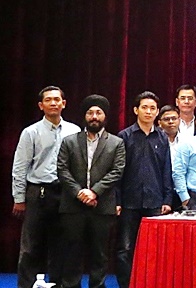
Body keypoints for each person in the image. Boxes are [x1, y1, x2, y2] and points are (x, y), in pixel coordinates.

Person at [12, 86, 81, 288]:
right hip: (38, 192)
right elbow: (20, 166)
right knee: (31, 246)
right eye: (48, 100)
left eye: (57, 99)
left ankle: (59, 284)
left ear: (64, 103)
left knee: (62, 244)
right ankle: (25, 284)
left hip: (66, 193)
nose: (53, 103)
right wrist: (19, 198)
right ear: (41, 105)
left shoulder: (74, 131)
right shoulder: (31, 132)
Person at [57, 94, 125, 288]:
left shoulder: (116, 143)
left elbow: (117, 171)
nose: (94, 116)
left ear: (105, 116)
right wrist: (80, 193)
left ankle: (97, 285)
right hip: (73, 206)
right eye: (90, 112)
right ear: (84, 116)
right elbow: (62, 170)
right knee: (72, 252)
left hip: (102, 206)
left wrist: (94, 192)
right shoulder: (69, 141)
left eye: (99, 112)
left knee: (100, 254)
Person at [115, 92, 173, 288]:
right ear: (135, 110)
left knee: (155, 249)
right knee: (125, 248)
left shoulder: (162, 137)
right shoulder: (124, 136)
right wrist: (117, 200)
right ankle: (126, 284)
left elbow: (167, 170)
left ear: (157, 112)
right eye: (144, 107)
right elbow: (117, 172)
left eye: (152, 108)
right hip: (129, 201)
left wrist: (167, 199)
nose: (148, 112)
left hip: (155, 201)